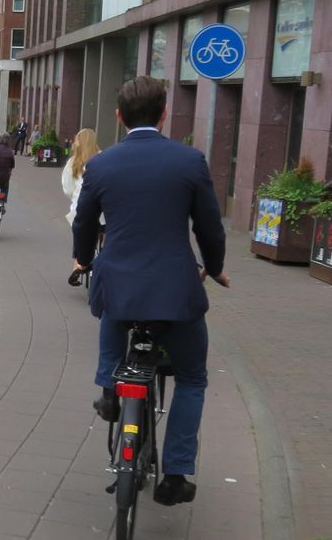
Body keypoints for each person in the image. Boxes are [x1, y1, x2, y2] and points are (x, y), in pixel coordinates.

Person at [72, 76, 229, 507]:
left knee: (113, 309)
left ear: (119, 117)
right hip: (175, 290)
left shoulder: (102, 166)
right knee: (193, 377)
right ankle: (176, 475)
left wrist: (84, 259)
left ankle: (108, 388)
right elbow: (210, 227)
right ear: (164, 114)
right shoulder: (189, 161)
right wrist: (214, 268)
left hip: (120, 284)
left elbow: (84, 222)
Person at [62, 128, 101, 285]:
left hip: (81, 207)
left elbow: (67, 188)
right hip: (102, 208)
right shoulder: (102, 158)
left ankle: (77, 264)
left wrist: (74, 198)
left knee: (80, 232)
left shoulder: (73, 163)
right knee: (102, 228)